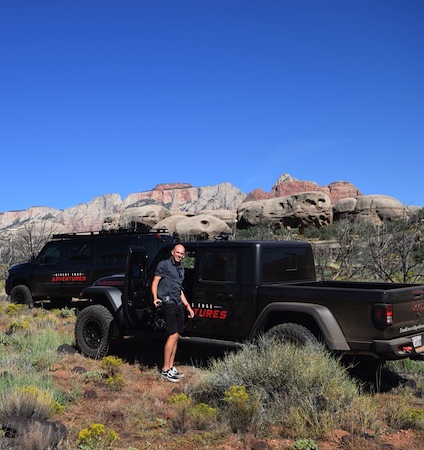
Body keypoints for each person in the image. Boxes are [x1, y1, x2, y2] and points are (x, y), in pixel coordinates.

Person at [151, 243, 195, 382]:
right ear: (172, 252)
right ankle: (165, 370)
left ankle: (171, 367)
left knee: (176, 336)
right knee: (172, 334)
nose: (179, 255)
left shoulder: (181, 269)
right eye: (177, 252)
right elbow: (155, 282)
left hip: (178, 304)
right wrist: (155, 298)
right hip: (168, 302)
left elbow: (179, 290)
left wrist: (187, 306)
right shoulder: (164, 265)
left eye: (181, 254)